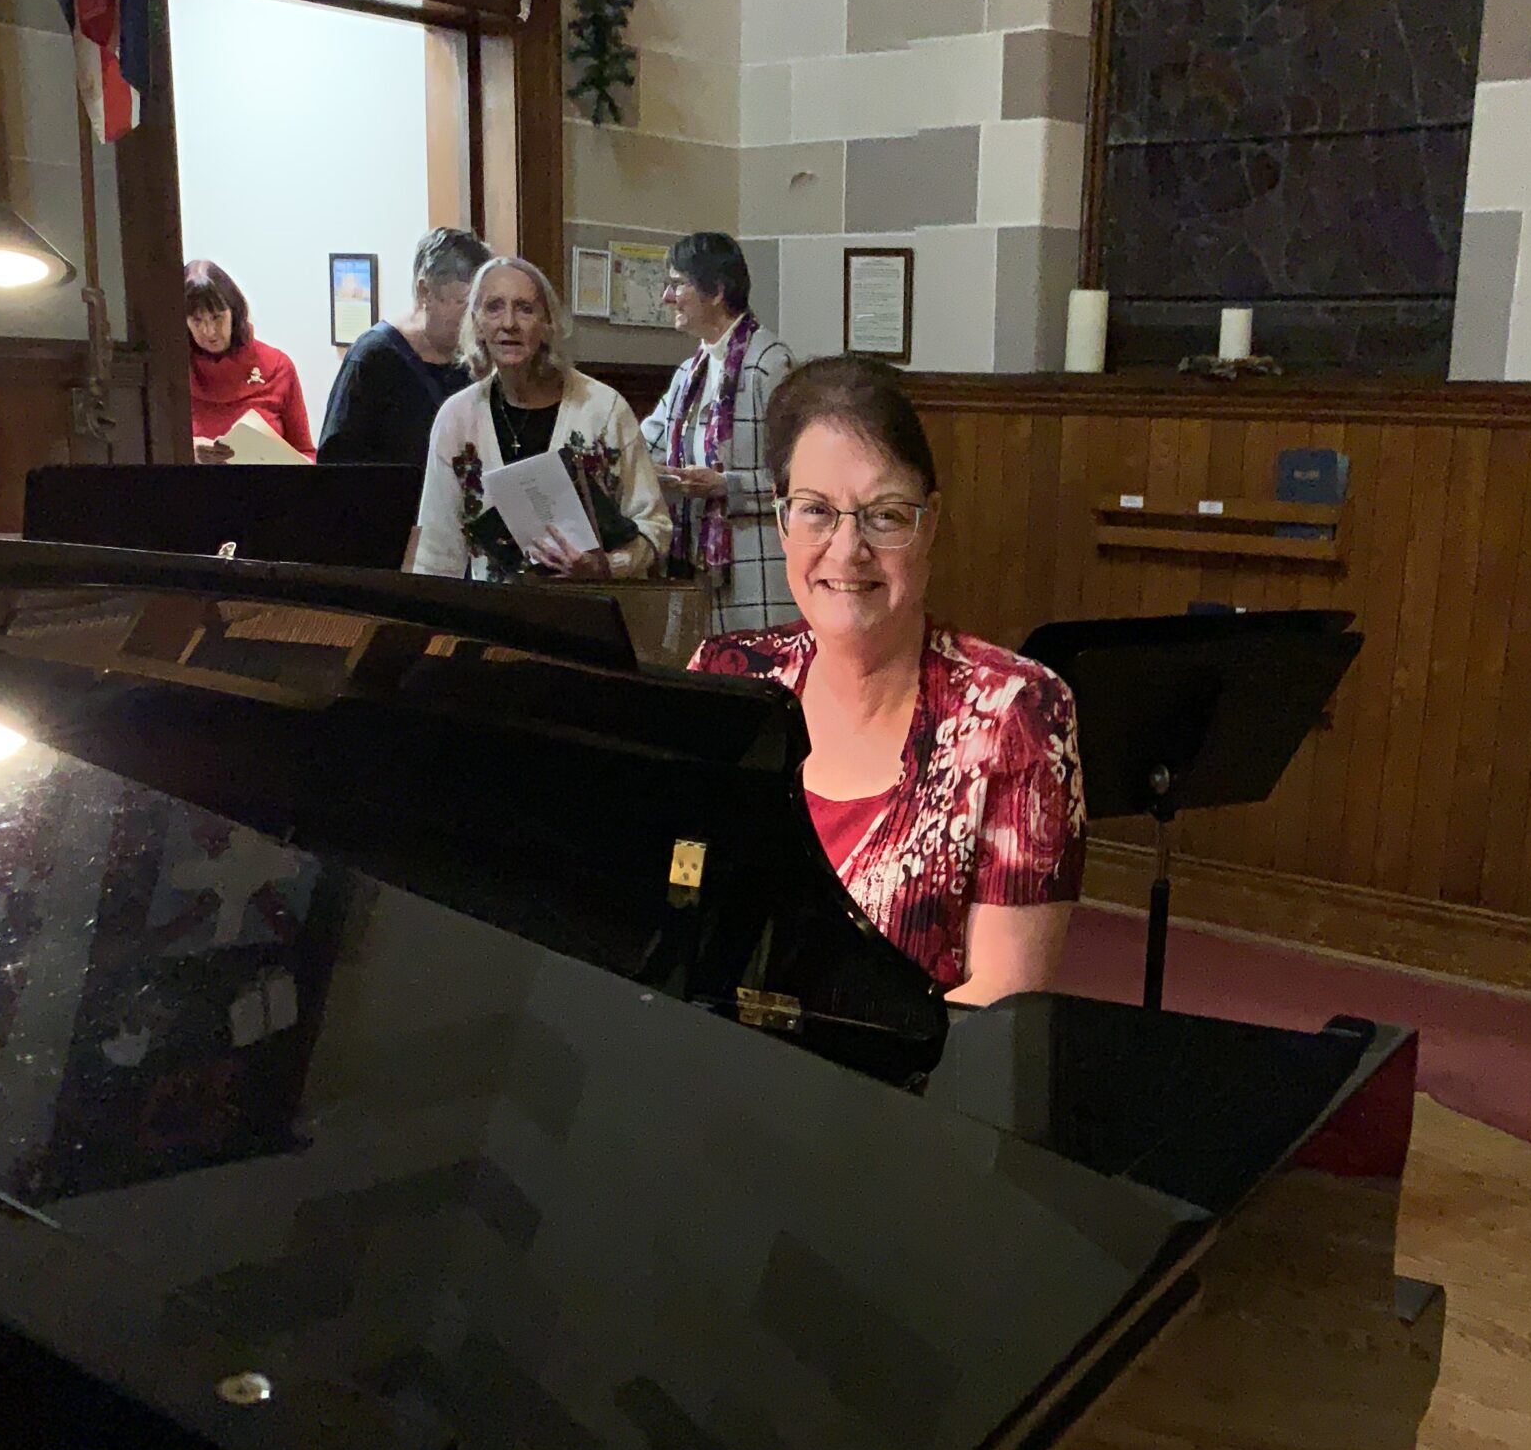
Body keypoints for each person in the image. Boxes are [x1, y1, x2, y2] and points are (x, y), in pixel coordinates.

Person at [690, 357, 1085, 1005]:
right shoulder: (725, 677)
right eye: (816, 511)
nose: (848, 550)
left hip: (919, 1069)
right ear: (782, 520)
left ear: (930, 522)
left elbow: (1004, 998)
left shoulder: (1015, 713)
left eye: (886, 515)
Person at [413, 255, 670, 581]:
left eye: (524, 308)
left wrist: (606, 566)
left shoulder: (602, 410)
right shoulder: (457, 418)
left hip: (593, 605)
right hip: (494, 609)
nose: (509, 323)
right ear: (477, 322)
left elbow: (655, 526)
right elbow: (436, 553)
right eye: (494, 307)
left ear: (547, 323)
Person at [640, 232, 793, 632]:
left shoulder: (768, 364)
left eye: (677, 284)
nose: (667, 297)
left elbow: (801, 481)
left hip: (756, 567)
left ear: (717, 291)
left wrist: (726, 485)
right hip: (698, 564)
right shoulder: (690, 372)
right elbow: (642, 446)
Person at [318, 226, 490, 467]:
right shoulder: (372, 358)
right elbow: (335, 463)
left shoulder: (478, 357)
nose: (477, 318)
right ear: (425, 291)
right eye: (466, 303)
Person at [185, 261, 313, 459]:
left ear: (234, 312)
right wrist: (186, 452)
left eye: (217, 317)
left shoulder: (277, 366)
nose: (209, 331)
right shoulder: (172, 373)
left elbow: (307, 453)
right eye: (197, 320)